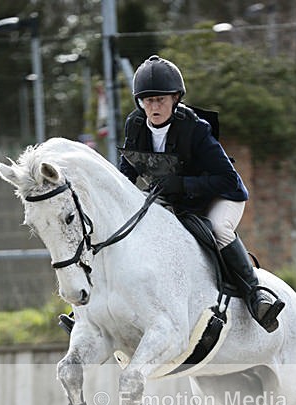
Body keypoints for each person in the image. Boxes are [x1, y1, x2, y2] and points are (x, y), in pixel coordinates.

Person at [119, 54, 284, 332]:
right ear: (140, 102)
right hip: (176, 200)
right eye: (148, 100)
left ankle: (256, 296)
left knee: (219, 229)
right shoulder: (135, 125)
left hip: (221, 197)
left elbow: (227, 179)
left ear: (175, 98)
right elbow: (127, 170)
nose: (154, 106)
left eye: (160, 99)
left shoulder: (195, 128)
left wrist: (182, 185)